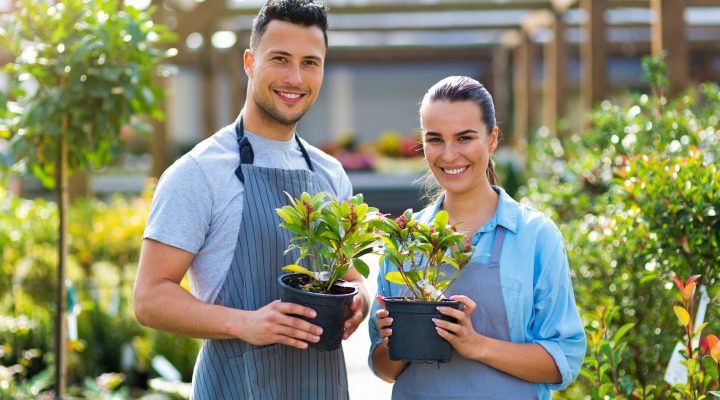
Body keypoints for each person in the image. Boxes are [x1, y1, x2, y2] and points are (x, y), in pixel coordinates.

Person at [133, 1, 369, 398]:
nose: (295, 77)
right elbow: (150, 298)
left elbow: (348, 277)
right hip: (235, 387)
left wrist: (359, 297)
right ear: (249, 61)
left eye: (310, 62)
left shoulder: (330, 174)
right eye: (280, 59)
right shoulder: (199, 172)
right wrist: (243, 323)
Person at [368, 76, 586, 399]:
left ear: (492, 139)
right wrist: (392, 342)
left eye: (465, 138)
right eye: (435, 139)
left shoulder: (535, 236)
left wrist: (477, 345)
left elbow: (562, 361)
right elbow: (385, 369)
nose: (450, 154)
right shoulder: (405, 238)